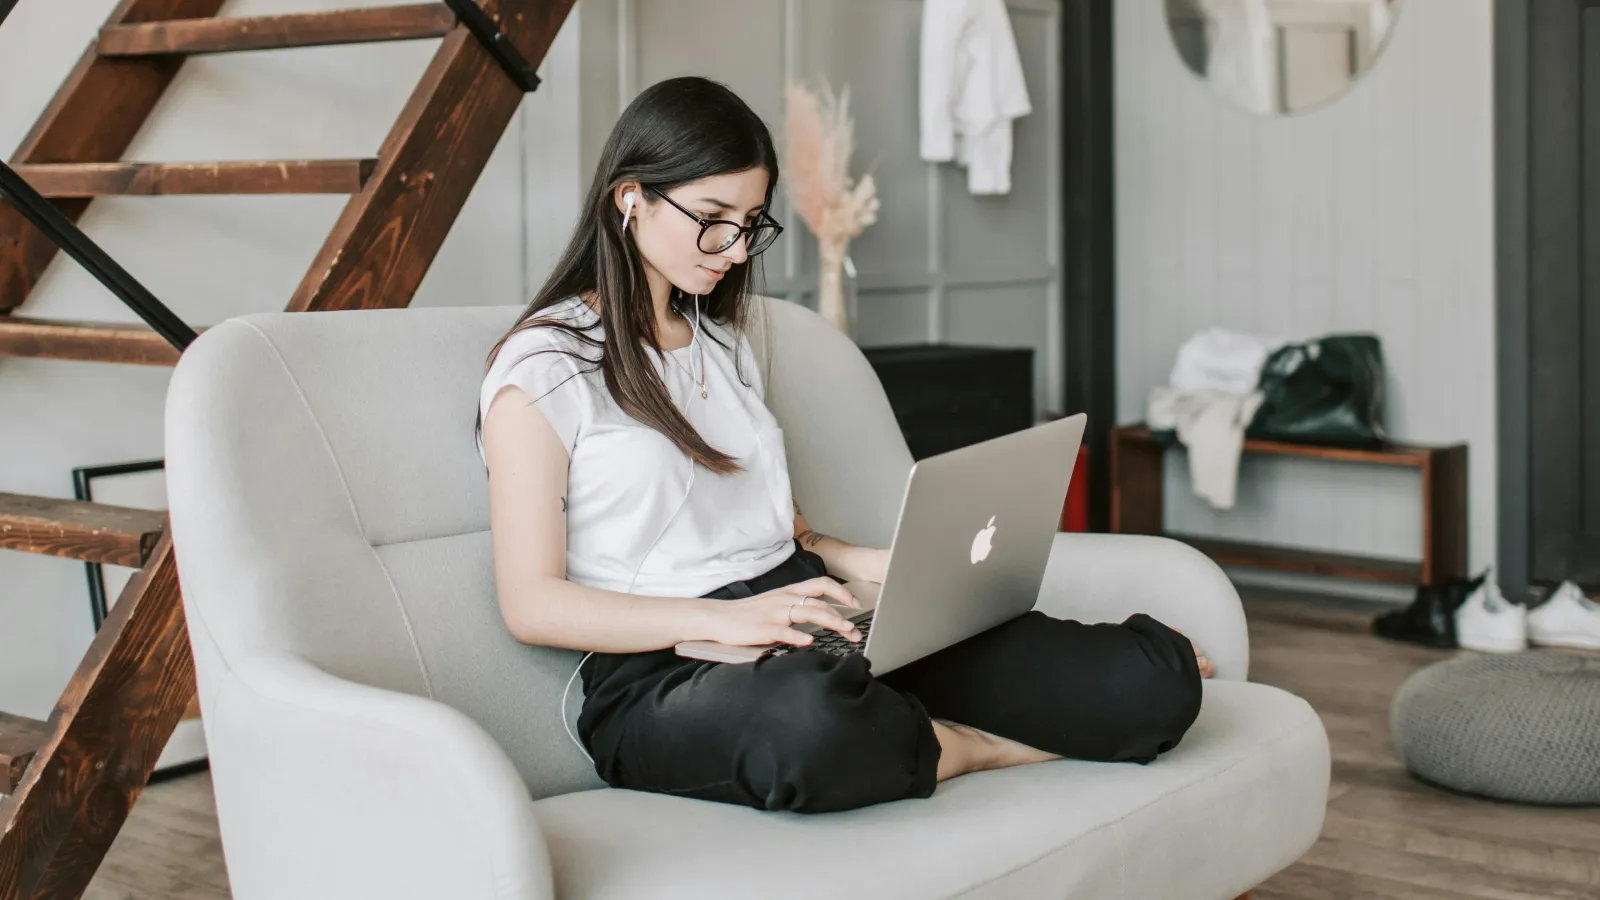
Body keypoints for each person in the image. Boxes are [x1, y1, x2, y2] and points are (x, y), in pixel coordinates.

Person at [476, 76, 1213, 815]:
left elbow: (787, 531)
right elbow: (532, 603)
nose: (733, 249)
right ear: (629, 197)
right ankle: (977, 747)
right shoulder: (544, 370)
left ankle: (923, 723)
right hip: (665, 674)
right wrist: (726, 620)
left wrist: (876, 567)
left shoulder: (721, 344)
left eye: (750, 223)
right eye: (711, 219)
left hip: (807, 618)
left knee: (1149, 680)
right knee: (814, 723)